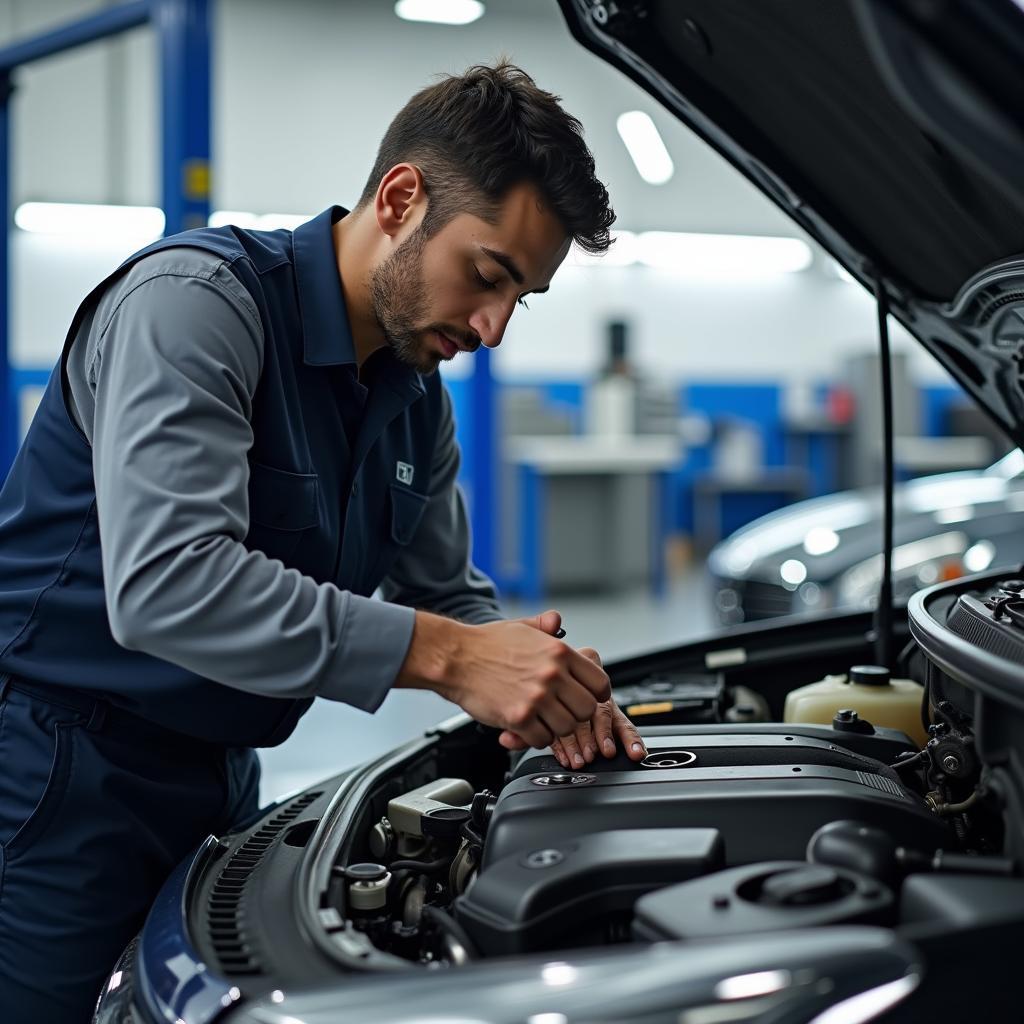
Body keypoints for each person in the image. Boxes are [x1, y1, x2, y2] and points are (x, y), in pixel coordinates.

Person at [0, 60, 645, 1020]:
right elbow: (170, 584)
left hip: (219, 779)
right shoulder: (194, 307)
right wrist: (459, 658)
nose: (494, 327)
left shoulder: (413, 395)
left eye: (523, 299)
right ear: (399, 198)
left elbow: (447, 596)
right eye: (487, 276)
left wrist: (539, 680)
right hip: (56, 775)